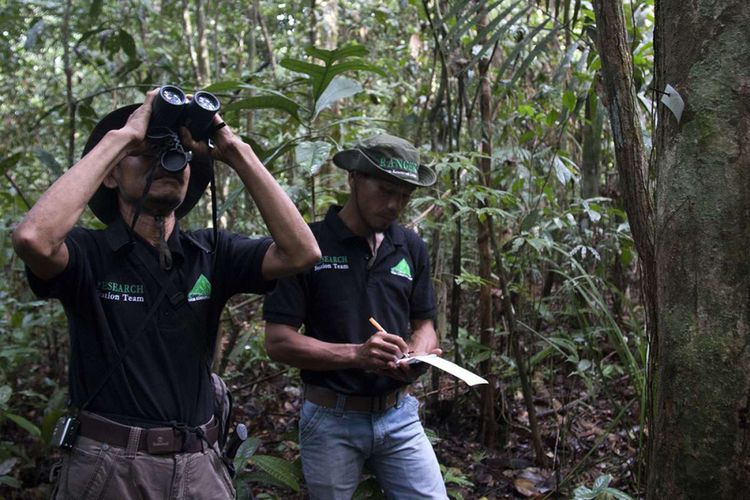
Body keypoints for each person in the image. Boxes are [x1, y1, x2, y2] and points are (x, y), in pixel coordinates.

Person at [11, 88, 321, 499]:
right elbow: (33, 238)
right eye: (148, 152)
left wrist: (230, 147)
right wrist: (124, 136)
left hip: (200, 465)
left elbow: (303, 252)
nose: (167, 162)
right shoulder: (89, 254)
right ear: (111, 174)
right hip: (108, 466)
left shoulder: (212, 253)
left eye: (176, 153)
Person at [263, 134, 448, 499]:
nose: (395, 205)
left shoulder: (409, 246)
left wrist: (417, 353)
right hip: (332, 417)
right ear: (354, 179)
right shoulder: (307, 246)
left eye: (405, 196)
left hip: (399, 415)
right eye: (385, 190)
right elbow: (278, 340)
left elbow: (425, 325)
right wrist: (356, 355)